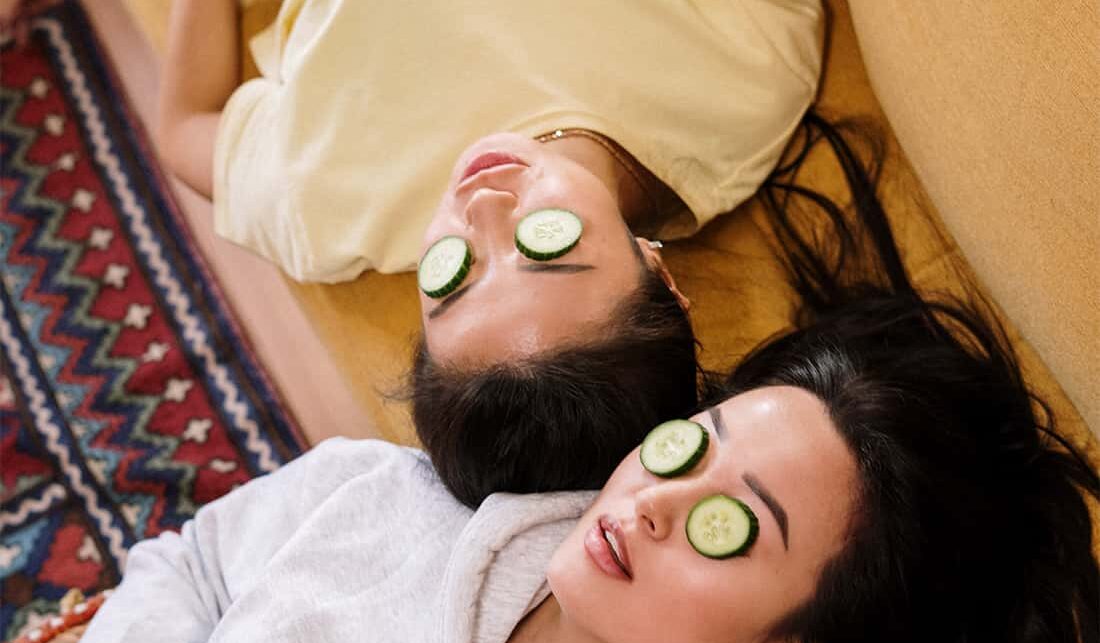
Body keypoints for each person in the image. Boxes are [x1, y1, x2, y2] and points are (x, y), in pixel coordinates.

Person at [2, 115, 1098, 643]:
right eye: (690, 447)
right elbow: (186, 567)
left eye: (733, 523)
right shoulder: (388, 493)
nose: (655, 501)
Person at [155, 0, 825, 506]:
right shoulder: (746, 78)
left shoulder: (323, 203)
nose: (481, 209)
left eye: (451, 276)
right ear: (658, 271)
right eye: (548, 246)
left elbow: (185, 130)